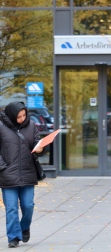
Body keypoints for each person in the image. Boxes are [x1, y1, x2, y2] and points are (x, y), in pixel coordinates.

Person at [0, 101, 44, 248]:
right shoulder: (1, 126)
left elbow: (37, 143)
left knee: (28, 205)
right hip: (8, 174)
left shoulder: (31, 125)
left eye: (24, 115)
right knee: (11, 208)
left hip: (27, 172)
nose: (22, 119)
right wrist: (3, 168)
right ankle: (13, 237)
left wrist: (40, 148)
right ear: (12, 116)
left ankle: (24, 227)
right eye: (19, 116)